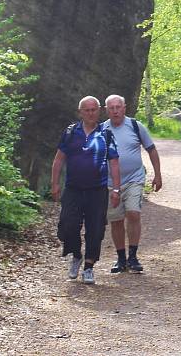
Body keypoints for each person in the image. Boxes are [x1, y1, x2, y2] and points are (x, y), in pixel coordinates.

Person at [52, 96, 121, 284]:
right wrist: (55, 184)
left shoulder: (105, 134)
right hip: (73, 188)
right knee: (68, 224)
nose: (91, 113)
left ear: (99, 111)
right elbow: (59, 159)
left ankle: (89, 266)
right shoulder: (70, 133)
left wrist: (116, 189)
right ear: (80, 112)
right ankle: (76, 254)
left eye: (94, 110)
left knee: (96, 229)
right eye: (87, 110)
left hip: (97, 190)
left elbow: (114, 162)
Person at [102, 94, 162, 274]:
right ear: (106, 110)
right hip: (110, 183)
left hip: (134, 179)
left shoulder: (136, 126)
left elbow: (151, 149)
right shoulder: (102, 129)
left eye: (118, 107)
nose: (115, 111)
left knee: (133, 213)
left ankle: (133, 256)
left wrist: (157, 175)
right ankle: (121, 258)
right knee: (116, 220)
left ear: (124, 108)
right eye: (111, 108)